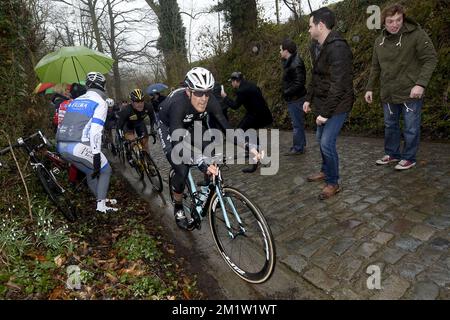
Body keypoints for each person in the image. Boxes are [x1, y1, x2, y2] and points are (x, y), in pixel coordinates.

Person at [158, 67, 261, 230]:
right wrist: (199, 162)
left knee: (211, 151)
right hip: (170, 126)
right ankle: (178, 206)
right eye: (198, 93)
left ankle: (207, 190)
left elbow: (228, 130)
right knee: (182, 168)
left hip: (191, 124)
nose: (203, 98)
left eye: (207, 92)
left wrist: (249, 146)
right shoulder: (178, 103)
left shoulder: (210, 100)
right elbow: (178, 145)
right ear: (188, 91)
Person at [365, 3, 437, 170]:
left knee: (410, 127)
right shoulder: (379, 41)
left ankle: (409, 157)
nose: (395, 24)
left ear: (403, 19)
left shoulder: (416, 34)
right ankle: (392, 154)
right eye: (390, 21)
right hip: (388, 92)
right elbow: (375, 67)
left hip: (410, 92)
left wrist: (420, 84)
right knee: (390, 126)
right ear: (384, 22)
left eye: (398, 20)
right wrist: (369, 88)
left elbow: (430, 58)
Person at [303, 7, 354, 200]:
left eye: (310, 26)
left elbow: (339, 85)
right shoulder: (317, 46)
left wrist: (324, 113)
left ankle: (333, 182)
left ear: (320, 25)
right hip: (323, 102)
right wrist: (308, 98)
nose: (308, 30)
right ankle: (325, 170)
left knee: (326, 142)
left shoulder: (338, 48)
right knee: (319, 139)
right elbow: (316, 77)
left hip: (338, 103)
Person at [56, 72, 117, 213]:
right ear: (102, 86)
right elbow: (96, 131)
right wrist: (96, 154)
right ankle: (101, 207)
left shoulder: (75, 101)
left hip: (61, 145)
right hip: (77, 145)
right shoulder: (100, 102)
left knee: (90, 171)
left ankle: (101, 198)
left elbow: (61, 123)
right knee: (106, 169)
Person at [221, 71, 273, 173]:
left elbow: (235, 106)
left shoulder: (242, 90)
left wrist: (224, 97)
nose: (232, 84)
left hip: (256, 115)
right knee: (249, 133)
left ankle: (255, 156)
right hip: (263, 113)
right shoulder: (250, 85)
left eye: (232, 82)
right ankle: (259, 156)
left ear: (236, 81)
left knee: (240, 132)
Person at [280, 38, 308, 155]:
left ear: (286, 50)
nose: (280, 52)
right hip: (294, 98)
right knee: (298, 123)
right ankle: (301, 144)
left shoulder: (295, 63)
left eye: (281, 50)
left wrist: (286, 92)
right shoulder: (290, 61)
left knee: (297, 124)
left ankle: (298, 148)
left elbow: (299, 82)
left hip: (296, 98)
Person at [117, 89, 156, 164]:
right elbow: (119, 126)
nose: (140, 104)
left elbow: (153, 119)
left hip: (139, 124)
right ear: (132, 102)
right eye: (137, 102)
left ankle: (148, 162)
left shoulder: (148, 107)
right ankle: (130, 155)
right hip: (128, 126)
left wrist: (152, 129)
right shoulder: (126, 110)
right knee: (133, 142)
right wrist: (121, 137)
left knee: (145, 143)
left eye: (142, 101)